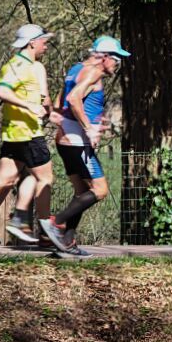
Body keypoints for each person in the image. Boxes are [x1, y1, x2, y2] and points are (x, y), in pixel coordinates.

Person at [41, 36, 130, 257]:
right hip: (77, 142)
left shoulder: (76, 69)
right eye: (116, 60)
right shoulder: (94, 73)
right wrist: (89, 128)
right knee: (100, 190)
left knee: (82, 192)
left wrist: (58, 115)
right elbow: (73, 99)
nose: (117, 65)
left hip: (65, 140)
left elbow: (61, 99)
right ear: (105, 57)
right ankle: (56, 223)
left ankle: (67, 241)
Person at [0, 24, 56, 236]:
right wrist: (30, 106)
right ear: (32, 42)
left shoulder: (35, 66)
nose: (46, 46)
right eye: (44, 41)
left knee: (6, 178)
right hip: (26, 132)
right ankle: (44, 230)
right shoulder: (17, 65)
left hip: (18, 133)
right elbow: (2, 90)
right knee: (45, 178)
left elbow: (43, 98)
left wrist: (49, 110)